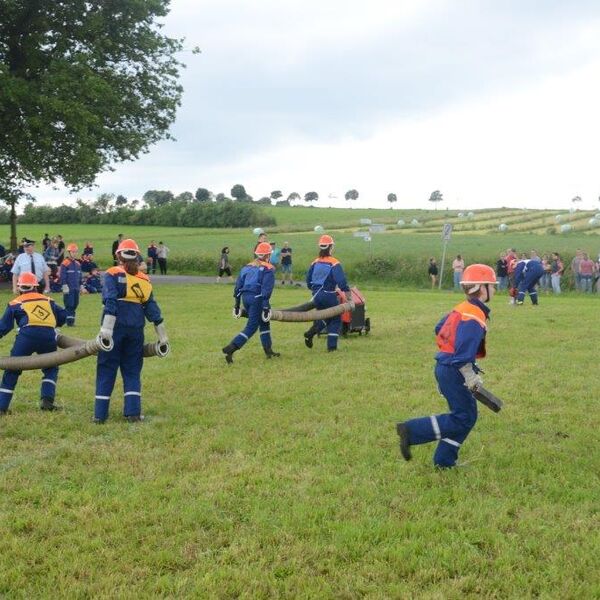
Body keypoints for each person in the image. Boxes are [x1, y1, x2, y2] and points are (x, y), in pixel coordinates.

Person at [396, 264, 498, 468]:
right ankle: (411, 430)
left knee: (466, 416)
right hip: (454, 369)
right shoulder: (474, 315)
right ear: (480, 287)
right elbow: (463, 353)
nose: (495, 289)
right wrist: (469, 375)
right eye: (492, 285)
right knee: (463, 417)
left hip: (446, 365)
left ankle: (444, 460)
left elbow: (439, 327)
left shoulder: (463, 308)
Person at [94, 238, 168, 423]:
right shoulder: (145, 279)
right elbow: (153, 310)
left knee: (106, 368)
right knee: (132, 370)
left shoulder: (112, 273)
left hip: (116, 326)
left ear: (118, 256)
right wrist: (163, 338)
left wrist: (106, 332)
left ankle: (100, 415)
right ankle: (133, 413)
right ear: (137, 256)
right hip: (136, 327)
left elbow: (110, 301)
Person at [0, 272, 67, 414]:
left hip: (26, 337)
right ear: (36, 287)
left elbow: (4, 327)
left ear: (19, 288)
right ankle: (47, 401)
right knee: (51, 368)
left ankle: (2, 406)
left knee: (12, 369)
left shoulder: (15, 303)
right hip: (48, 337)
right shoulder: (49, 300)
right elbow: (62, 316)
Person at [222, 242, 279, 364]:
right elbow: (266, 290)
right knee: (252, 326)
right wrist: (265, 306)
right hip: (257, 298)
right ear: (267, 255)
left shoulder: (247, 267)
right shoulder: (268, 269)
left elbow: (237, 288)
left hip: (245, 298)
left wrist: (237, 305)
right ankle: (232, 348)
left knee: (264, 323)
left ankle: (268, 350)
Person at [303, 235, 351, 352]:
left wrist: (313, 289)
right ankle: (332, 347)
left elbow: (308, 280)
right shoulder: (334, 262)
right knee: (335, 319)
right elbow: (341, 281)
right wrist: (348, 294)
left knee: (325, 316)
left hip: (316, 295)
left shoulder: (315, 262)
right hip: (329, 294)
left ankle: (310, 333)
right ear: (331, 247)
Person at [59, 243, 82, 326]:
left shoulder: (78, 264)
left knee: (75, 304)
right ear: (69, 252)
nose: (75, 253)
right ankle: (69, 322)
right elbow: (62, 276)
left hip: (76, 288)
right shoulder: (65, 263)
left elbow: (80, 276)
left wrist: (81, 286)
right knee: (69, 304)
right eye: (73, 252)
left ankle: (70, 320)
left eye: (76, 252)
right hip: (69, 288)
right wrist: (64, 285)